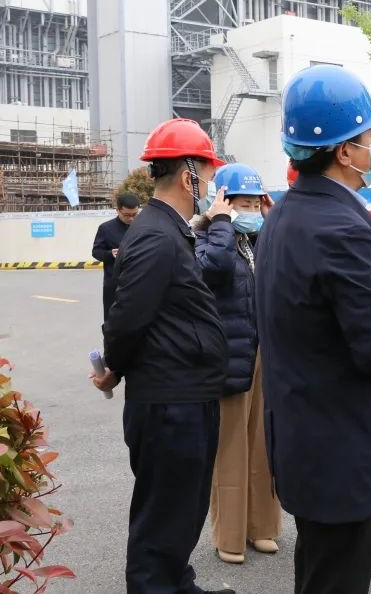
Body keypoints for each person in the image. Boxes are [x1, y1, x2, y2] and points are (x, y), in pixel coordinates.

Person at [255, 64, 371, 594]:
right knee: (336, 578)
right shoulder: (342, 228)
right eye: (369, 137)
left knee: (316, 570)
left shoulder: (283, 215)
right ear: (345, 151)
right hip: (338, 448)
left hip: (299, 439)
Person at [91, 118, 235, 594]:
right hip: (170, 402)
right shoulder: (156, 235)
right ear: (189, 172)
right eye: (207, 171)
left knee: (182, 509)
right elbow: (127, 317)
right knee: (163, 515)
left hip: (186, 394)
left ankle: (178, 582)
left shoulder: (167, 229)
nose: (210, 182)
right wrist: (114, 368)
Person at [193, 163, 282, 566]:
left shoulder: (260, 240)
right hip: (228, 356)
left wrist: (272, 221)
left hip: (263, 352)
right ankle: (229, 535)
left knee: (262, 444)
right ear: (221, 202)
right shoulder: (202, 238)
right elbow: (213, 269)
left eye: (253, 202)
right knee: (230, 447)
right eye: (240, 203)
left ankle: (262, 527)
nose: (249, 210)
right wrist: (220, 224)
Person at [92, 192, 140, 319]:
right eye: (127, 215)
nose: (131, 219)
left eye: (134, 214)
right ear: (117, 211)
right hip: (114, 285)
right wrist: (110, 254)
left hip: (139, 282)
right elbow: (96, 252)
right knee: (113, 319)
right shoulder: (106, 228)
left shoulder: (144, 227)